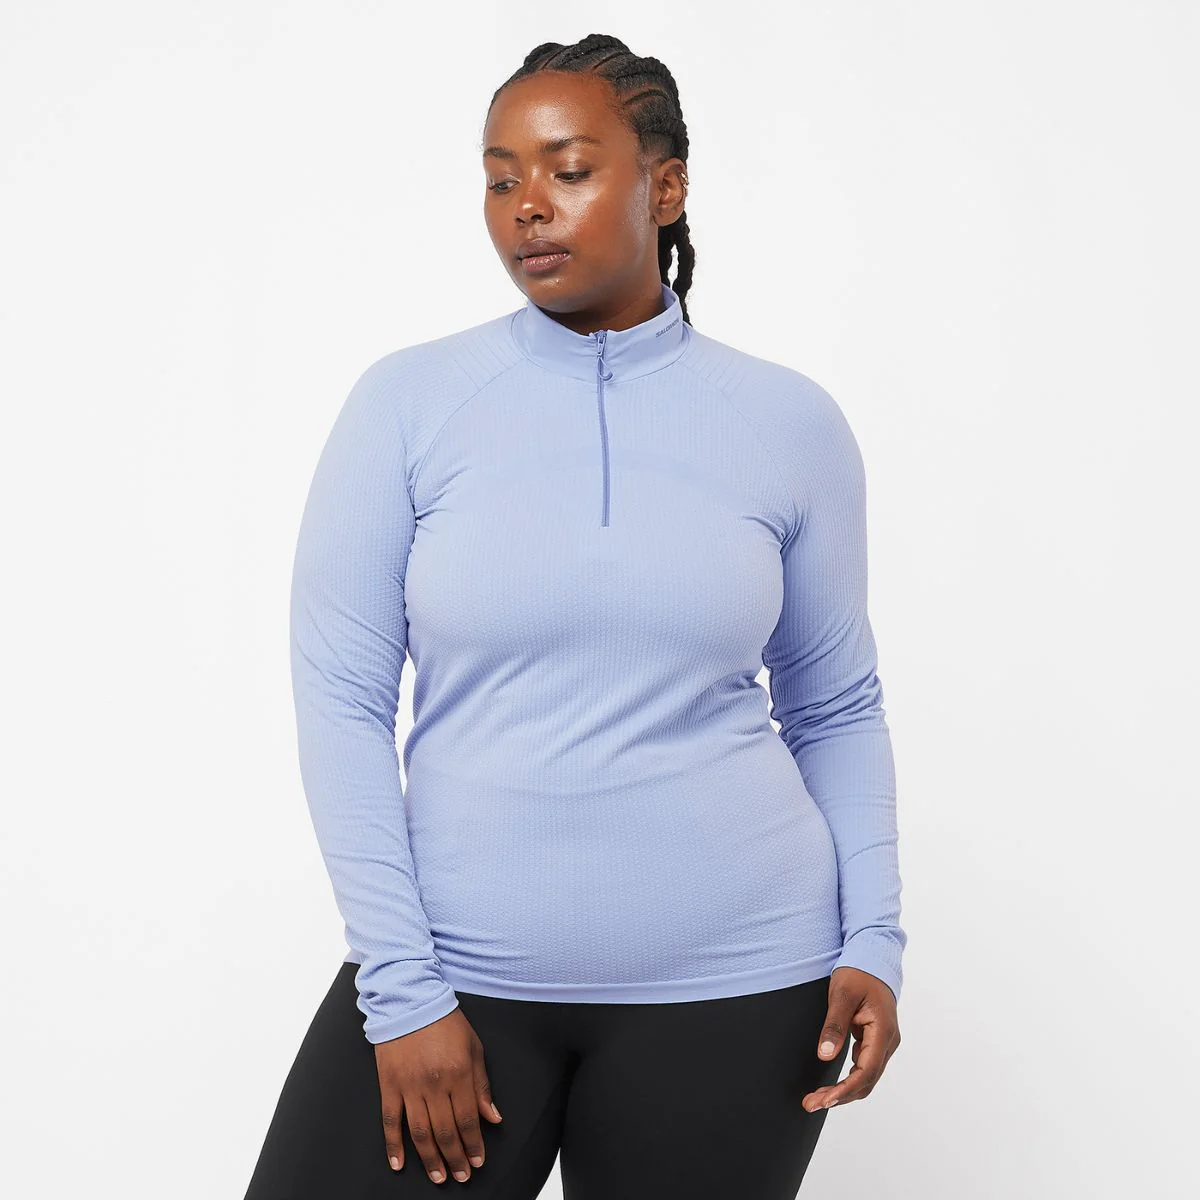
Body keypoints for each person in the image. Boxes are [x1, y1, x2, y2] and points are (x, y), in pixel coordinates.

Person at [244, 32, 906, 1200]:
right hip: (457, 975)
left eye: (569, 169)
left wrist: (875, 942)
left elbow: (835, 704)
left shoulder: (788, 424)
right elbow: (341, 701)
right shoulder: (408, 405)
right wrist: (402, 991)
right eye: (500, 178)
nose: (527, 208)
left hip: (742, 984)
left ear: (665, 185)